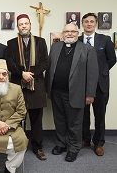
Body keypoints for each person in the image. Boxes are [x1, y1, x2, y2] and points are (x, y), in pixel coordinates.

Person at [46, 23, 99, 162]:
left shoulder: (87, 49)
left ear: (78, 33)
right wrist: (48, 89)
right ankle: (61, 144)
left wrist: (90, 94)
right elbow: (50, 68)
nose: (69, 34)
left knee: (74, 123)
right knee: (60, 120)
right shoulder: (56, 47)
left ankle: (73, 148)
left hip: (76, 93)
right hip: (56, 91)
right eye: (66, 31)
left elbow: (92, 74)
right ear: (62, 33)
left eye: (73, 32)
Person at [5, 14, 48, 160]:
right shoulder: (11, 43)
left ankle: (37, 147)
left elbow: (45, 62)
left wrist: (31, 74)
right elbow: (9, 63)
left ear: (30, 25)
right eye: (21, 24)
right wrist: (22, 73)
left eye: (26, 23)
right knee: (17, 118)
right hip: (18, 86)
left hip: (37, 87)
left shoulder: (41, 42)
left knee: (36, 120)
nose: (23, 26)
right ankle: (18, 145)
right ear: (17, 27)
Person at [78, 12, 116, 156]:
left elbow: (112, 59)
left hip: (101, 85)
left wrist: (101, 73)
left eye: (92, 21)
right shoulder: (78, 40)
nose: (89, 24)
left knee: (100, 115)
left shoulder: (105, 40)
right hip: (81, 84)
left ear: (95, 24)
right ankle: (85, 139)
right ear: (82, 24)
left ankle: (99, 143)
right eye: (86, 21)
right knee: (83, 115)